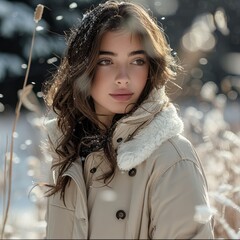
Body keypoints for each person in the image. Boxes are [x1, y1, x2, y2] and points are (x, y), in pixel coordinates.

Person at [43, 0, 214, 239]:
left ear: (151, 68)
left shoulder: (172, 159)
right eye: (106, 61)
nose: (123, 78)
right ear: (82, 68)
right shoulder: (67, 151)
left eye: (137, 61)